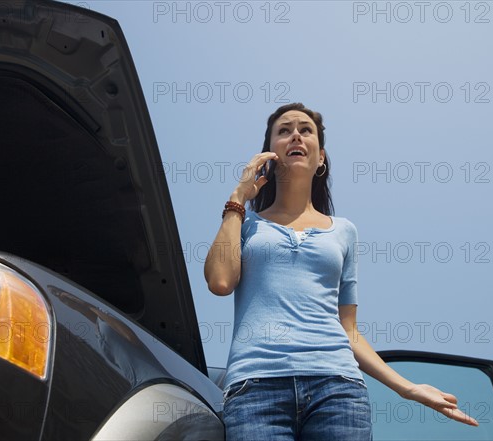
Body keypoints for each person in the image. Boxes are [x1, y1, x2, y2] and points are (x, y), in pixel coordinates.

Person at [204, 103, 478, 440]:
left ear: (320, 157)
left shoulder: (344, 231)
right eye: (284, 130)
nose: (296, 136)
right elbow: (219, 281)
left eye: (306, 130)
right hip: (256, 387)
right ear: (269, 154)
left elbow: (349, 330)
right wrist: (238, 199)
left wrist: (407, 388)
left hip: (337, 390)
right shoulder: (246, 224)